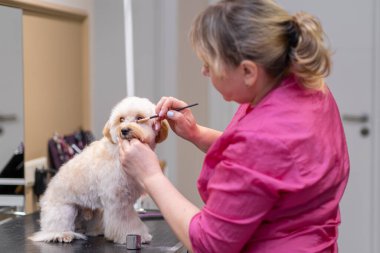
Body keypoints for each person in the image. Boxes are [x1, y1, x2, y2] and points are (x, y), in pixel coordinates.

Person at [119, 0, 349, 252]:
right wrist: (197, 134)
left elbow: (209, 243)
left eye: (210, 64)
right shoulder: (309, 85)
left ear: (249, 71)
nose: (204, 72)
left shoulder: (262, 138)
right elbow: (274, 167)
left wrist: (150, 175)